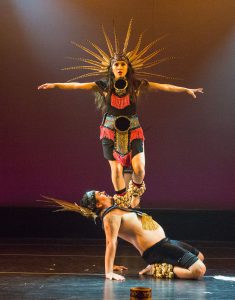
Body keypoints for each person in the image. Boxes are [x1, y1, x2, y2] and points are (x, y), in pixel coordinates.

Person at [38, 20, 203, 208]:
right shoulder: (103, 85)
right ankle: (122, 203)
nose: (119, 67)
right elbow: (77, 85)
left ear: (127, 68)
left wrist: (186, 89)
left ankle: (135, 192)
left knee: (139, 169)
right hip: (110, 131)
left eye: (123, 64)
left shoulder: (136, 85)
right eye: (116, 64)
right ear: (112, 68)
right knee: (116, 170)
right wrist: (55, 85)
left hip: (133, 130)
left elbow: (164, 86)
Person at [41, 191, 206, 281]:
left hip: (166, 242)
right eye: (100, 194)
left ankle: (158, 267)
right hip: (157, 249)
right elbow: (110, 243)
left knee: (200, 257)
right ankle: (156, 269)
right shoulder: (109, 217)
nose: (105, 192)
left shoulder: (117, 208)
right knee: (198, 270)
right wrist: (108, 271)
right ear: (98, 204)